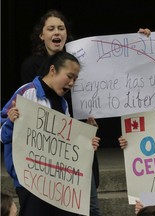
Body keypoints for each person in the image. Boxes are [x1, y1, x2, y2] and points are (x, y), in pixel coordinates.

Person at [17, 9, 103, 215]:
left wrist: (145, 41)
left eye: (61, 28)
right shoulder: (31, 67)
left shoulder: (80, 62)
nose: (57, 32)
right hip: (48, 149)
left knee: (89, 205)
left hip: (78, 142)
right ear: (42, 35)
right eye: (51, 28)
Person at [1, 51, 100, 216]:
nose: (71, 83)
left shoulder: (63, 105)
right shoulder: (27, 93)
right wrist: (11, 121)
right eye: (69, 76)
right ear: (53, 70)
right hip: (30, 180)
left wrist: (87, 144)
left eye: (75, 79)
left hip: (58, 181)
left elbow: (66, 144)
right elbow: (3, 134)